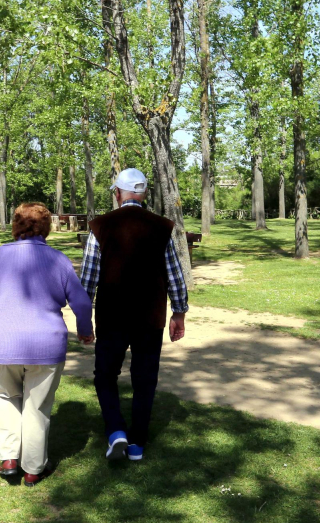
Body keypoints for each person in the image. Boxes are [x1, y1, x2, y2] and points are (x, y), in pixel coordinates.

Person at [0, 202, 94, 486]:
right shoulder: (57, 259)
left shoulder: (0, 256)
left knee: (6, 397)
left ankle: (9, 458)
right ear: (47, 227)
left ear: (16, 226)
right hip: (46, 345)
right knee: (36, 405)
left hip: (2, 343)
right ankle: (33, 468)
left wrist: (1, 316)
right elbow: (81, 302)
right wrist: (85, 331)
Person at [80, 168, 188, 462]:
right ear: (143, 195)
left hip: (111, 317)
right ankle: (138, 443)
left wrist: (82, 317)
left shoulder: (100, 226)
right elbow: (175, 276)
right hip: (149, 318)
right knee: (145, 379)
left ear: (117, 194)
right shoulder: (162, 226)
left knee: (105, 376)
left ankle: (116, 432)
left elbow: (88, 278)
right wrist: (179, 313)